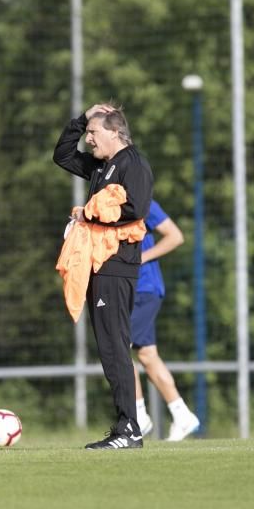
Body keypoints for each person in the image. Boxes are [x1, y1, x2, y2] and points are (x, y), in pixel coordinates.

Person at [53, 103, 153, 450]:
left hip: (116, 265)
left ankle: (130, 430)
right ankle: (126, 427)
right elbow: (62, 155)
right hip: (99, 264)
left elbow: (136, 208)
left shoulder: (133, 164)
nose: (89, 139)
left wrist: (90, 215)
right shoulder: (101, 165)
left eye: (94, 132)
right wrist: (81, 120)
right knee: (110, 348)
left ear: (115, 131)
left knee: (115, 347)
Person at [131, 200, 201, 441]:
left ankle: (137, 416)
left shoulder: (141, 202)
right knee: (147, 355)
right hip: (129, 292)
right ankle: (182, 415)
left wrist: (140, 258)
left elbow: (175, 236)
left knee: (117, 348)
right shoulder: (103, 203)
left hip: (144, 289)